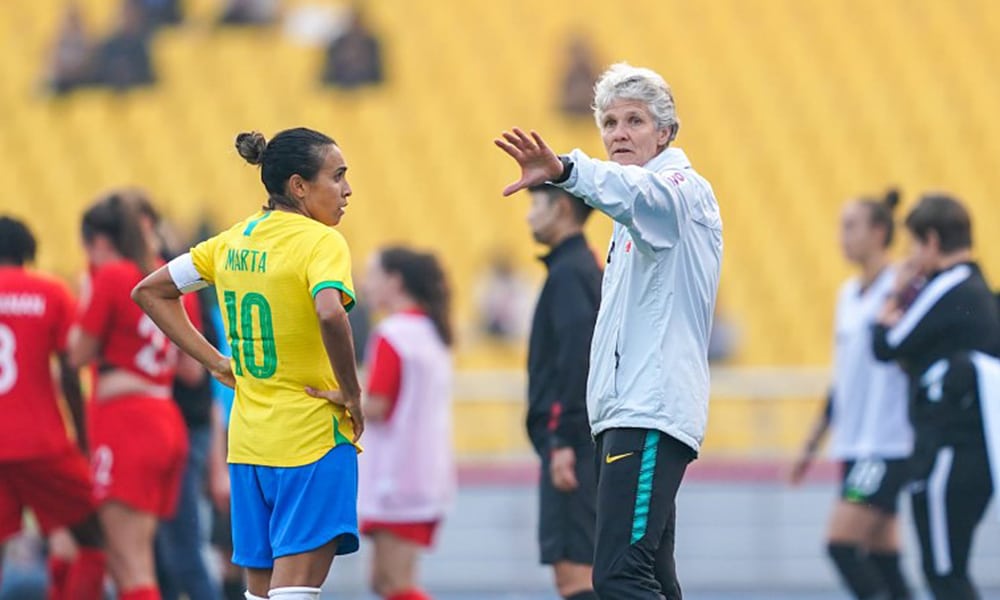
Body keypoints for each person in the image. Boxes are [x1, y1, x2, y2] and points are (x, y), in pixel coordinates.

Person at [495, 62, 723, 599]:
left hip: (648, 411)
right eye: (610, 123)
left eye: (635, 121)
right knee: (651, 576)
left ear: (666, 133)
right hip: (629, 414)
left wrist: (567, 170)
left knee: (618, 576)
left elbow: (638, 194)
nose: (619, 133)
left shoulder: (680, 191)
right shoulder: (633, 219)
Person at [131, 127, 364, 600]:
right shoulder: (321, 242)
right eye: (337, 176)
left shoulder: (231, 241)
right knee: (295, 592)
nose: (347, 190)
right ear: (299, 186)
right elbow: (329, 310)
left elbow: (150, 291)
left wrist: (215, 361)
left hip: (249, 447)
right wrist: (352, 392)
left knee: (259, 593)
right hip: (310, 440)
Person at [872, 194, 1000, 600]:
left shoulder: (950, 286)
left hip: (950, 450)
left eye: (913, 244)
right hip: (964, 448)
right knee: (944, 571)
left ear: (931, 241)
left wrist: (893, 295)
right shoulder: (977, 290)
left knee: (944, 573)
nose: (909, 257)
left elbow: (887, 343)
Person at [69, 194, 194, 600]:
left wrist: (87, 293)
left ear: (100, 240)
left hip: (126, 421)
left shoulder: (112, 276)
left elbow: (77, 353)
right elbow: (191, 371)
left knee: (128, 560)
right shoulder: (172, 280)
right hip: (165, 415)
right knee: (136, 557)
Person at [791, 190, 913, 600]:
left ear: (878, 232)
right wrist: (812, 443)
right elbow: (844, 380)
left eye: (850, 227)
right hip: (856, 446)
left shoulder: (900, 291)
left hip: (886, 446)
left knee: (840, 546)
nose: (841, 237)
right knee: (883, 556)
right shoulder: (848, 294)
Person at [0, 216, 105, 600]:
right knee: (96, 538)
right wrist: (82, 438)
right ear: (28, 253)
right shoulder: (51, 292)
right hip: (40, 443)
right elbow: (71, 372)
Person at [357, 247, 455, 600]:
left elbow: (378, 406)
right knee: (385, 582)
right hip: (423, 471)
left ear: (395, 281)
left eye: (373, 275)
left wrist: (335, 397)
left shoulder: (394, 333)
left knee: (393, 583)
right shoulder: (430, 331)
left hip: (396, 475)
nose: (366, 285)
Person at [523, 184, 601, 600]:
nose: (529, 215)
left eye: (536, 204)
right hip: (580, 442)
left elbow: (576, 359)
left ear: (562, 208)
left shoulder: (569, 274)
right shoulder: (579, 268)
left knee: (576, 575)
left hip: (574, 447)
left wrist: (563, 440)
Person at [320, 7, 383, 89]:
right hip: (342, 82)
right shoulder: (337, 43)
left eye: (358, 22)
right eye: (353, 22)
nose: (355, 26)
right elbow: (330, 72)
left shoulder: (371, 44)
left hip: (366, 83)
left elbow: (377, 73)